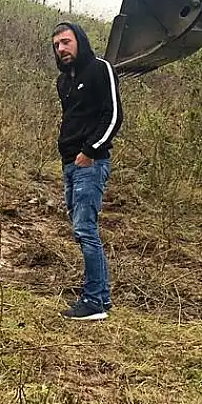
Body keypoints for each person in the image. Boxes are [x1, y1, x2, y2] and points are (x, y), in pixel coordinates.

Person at [51, 20, 123, 320]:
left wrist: (90, 151)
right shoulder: (63, 81)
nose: (61, 49)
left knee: (85, 230)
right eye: (56, 45)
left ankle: (93, 301)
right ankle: (101, 298)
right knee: (81, 231)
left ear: (79, 40)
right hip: (70, 163)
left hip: (89, 164)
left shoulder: (99, 68)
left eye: (66, 42)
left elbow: (114, 114)